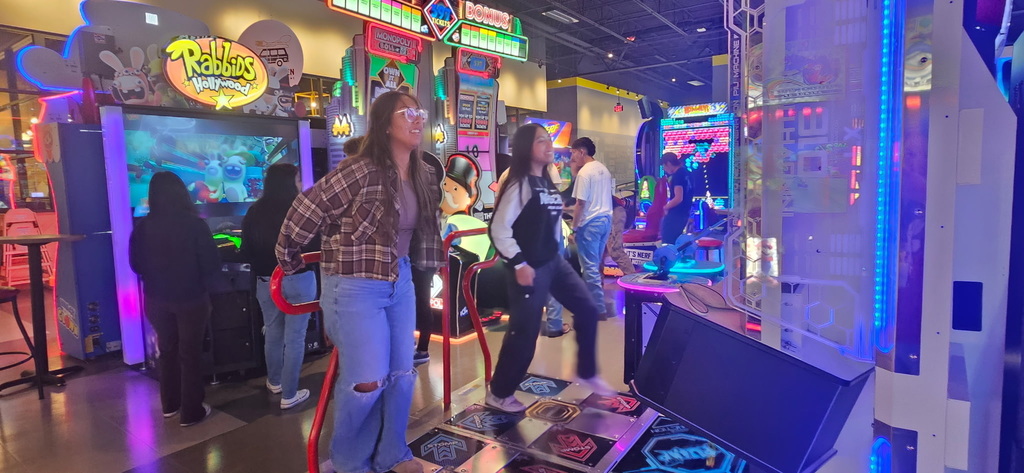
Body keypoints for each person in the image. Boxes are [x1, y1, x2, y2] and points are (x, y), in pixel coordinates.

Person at [277, 91, 441, 473]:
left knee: (402, 375)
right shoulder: (360, 168)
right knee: (367, 381)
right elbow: (306, 209)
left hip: (398, 279)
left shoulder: (423, 172)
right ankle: (349, 462)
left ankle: (391, 453)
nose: (418, 119)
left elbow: (423, 233)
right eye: (408, 113)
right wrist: (290, 260)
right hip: (352, 284)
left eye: (420, 112)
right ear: (385, 124)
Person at [486, 123, 613, 413]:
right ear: (525, 149)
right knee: (525, 332)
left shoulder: (545, 181)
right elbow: (499, 228)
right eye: (541, 141)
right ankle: (499, 393)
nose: (549, 145)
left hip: (553, 261)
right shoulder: (519, 184)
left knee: (587, 309)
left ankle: (587, 371)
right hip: (528, 265)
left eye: (548, 140)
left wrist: (566, 232)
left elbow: (552, 215)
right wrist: (518, 263)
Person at [129, 172, 220, 427]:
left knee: (167, 351)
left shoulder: (143, 227)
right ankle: (191, 412)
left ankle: (170, 405)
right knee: (189, 353)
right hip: (191, 298)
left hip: (156, 299)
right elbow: (211, 263)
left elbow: (135, 265)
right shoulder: (195, 224)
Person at [241, 163, 318, 409]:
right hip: (298, 278)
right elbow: (314, 245)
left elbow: (247, 250)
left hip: (266, 281)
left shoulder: (254, 211)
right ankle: (290, 394)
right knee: (295, 338)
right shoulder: (300, 210)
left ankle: (274, 381)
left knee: (272, 333)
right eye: (297, 180)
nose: (301, 185)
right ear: (289, 183)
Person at [568, 137, 614, 320]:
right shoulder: (603, 169)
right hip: (605, 220)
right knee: (595, 265)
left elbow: (580, 203)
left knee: (589, 268)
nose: (572, 157)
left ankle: (596, 309)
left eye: (573, 153)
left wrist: (574, 228)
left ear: (582, 151)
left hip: (591, 224)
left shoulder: (584, 173)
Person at [414, 151, 444, 365]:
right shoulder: (431, 197)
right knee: (421, 302)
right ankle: (421, 348)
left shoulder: (418, 195)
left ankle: (421, 349)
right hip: (429, 254)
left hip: (420, 254)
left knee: (419, 303)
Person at [660, 152, 692, 245]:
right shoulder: (687, 173)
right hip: (684, 213)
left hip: (675, 215)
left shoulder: (678, 176)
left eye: (664, 166)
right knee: (676, 242)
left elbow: (678, 198)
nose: (664, 169)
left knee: (668, 242)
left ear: (669, 163)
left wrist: (666, 207)